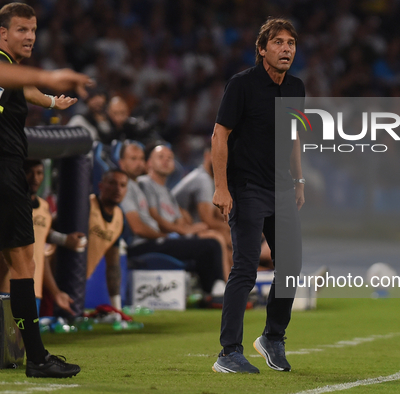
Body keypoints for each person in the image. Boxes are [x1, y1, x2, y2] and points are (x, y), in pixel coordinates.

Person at [0, 3, 80, 378]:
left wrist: (53, 101)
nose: (30, 37)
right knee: (24, 264)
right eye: (22, 30)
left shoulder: (4, 67)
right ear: (3, 33)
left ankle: (36, 355)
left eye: (34, 30)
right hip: (2, 172)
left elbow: (25, 89)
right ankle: (37, 358)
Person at [211, 18, 305, 374]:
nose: (286, 49)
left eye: (291, 43)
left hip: (282, 188)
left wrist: (300, 180)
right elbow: (219, 136)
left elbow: (294, 136)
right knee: (245, 269)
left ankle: (272, 338)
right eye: (278, 42)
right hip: (247, 188)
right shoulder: (242, 85)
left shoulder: (296, 87)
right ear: (262, 49)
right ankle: (228, 352)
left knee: (292, 267)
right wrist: (221, 186)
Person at [118, 142, 225, 297]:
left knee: (210, 244)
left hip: (153, 240)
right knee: (211, 244)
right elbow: (138, 228)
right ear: (121, 162)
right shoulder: (125, 186)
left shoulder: (137, 186)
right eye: (132, 159)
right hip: (141, 244)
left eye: (140, 159)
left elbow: (170, 217)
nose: (138, 163)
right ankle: (217, 291)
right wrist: (165, 236)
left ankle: (212, 291)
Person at [0, 159, 85, 316]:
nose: (35, 178)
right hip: (3, 289)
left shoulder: (44, 207)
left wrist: (56, 292)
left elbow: (39, 251)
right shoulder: (4, 203)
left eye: (39, 173)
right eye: (29, 172)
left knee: (26, 340)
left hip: (34, 291)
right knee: (2, 340)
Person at [139, 144, 231, 281]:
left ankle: (221, 285)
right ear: (149, 163)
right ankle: (224, 285)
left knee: (214, 236)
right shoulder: (145, 183)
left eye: (170, 158)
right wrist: (185, 231)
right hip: (155, 240)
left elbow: (179, 219)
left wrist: (190, 228)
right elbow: (155, 217)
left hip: (172, 236)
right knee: (214, 240)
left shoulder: (166, 191)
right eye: (160, 157)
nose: (166, 160)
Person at [86, 169, 128, 310]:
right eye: (112, 183)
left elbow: (113, 266)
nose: (118, 189)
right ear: (101, 186)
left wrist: (117, 309)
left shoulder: (119, 217)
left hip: (78, 283)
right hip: (52, 280)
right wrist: (62, 239)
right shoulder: (86, 205)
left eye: (123, 185)